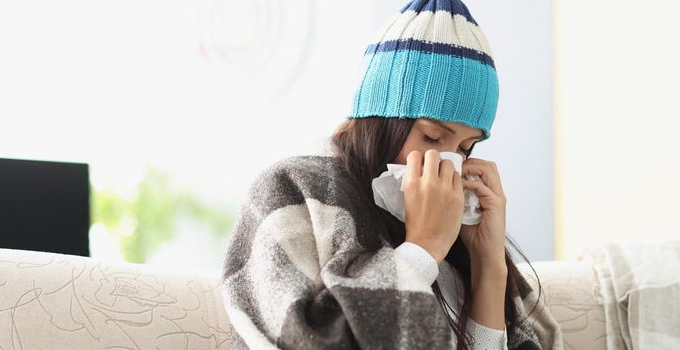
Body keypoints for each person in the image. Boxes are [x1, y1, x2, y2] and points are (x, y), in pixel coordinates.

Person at [220, 0, 563, 348]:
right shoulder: (289, 190)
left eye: (465, 148)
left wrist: (489, 266)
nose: (448, 164)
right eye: (431, 137)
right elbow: (298, 340)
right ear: (379, 119)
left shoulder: (462, 235)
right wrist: (424, 248)